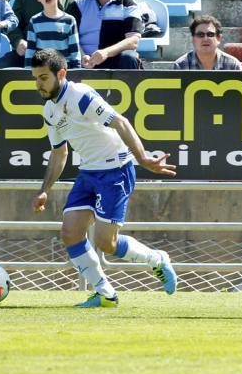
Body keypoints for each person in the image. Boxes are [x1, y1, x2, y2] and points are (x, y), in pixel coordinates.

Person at [30, 48, 178, 308]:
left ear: (61, 74)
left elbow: (120, 122)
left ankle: (157, 259)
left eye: (43, 77)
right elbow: (59, 152)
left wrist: (142, 158)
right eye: (35, 78)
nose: (38, 84)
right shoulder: (49, 111)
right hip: (88, 172)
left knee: (105, 243)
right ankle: (104, 294)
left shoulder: (81, 96)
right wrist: (45, 189)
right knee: (70, 233)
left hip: (115, 170)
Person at [69, 0, 143, 69]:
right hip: (84, 59)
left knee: (129, 58)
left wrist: (106, 53)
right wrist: (83, 56)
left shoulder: (128, 3)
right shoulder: (79, 3)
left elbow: (132, 41)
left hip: (114, 58)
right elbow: (69, 36)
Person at [24, 0, 80, 68]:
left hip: (64, 70)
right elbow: (30, 50)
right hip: (42, 70)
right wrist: (28, 70)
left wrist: (76, 71)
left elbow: (75, 51)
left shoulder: (69, 20)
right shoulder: (34, 21)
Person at [172, 14, 242, 70]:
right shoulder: (181, 65)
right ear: (193, 39)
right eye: (200, 35)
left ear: (219, 38)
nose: (205, 38)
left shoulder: (233, 65)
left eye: (210, 34)